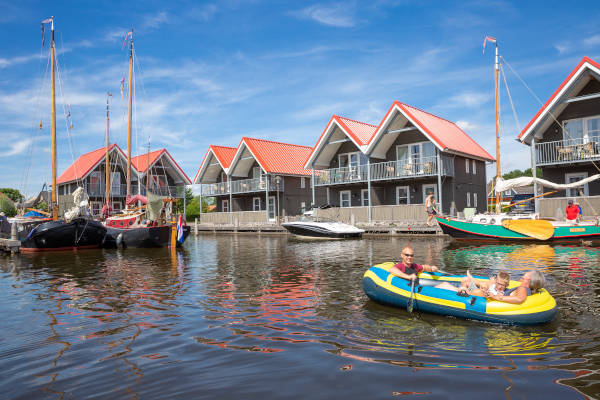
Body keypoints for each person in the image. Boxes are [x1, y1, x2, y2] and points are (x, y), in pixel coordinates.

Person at [435, 270, 510, 297]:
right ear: (496, 281)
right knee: (466, 281)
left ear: (507, 285)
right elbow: (489, 284)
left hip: (477, 295)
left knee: (478, 291)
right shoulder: (494, 284)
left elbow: (496, 296)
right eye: (498, 284)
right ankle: (461, 294)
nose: (499, 287)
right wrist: (484, 289)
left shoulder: (501, 293)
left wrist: (485, 292)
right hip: (477, 293)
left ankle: (463, 292)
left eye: (502, 285)